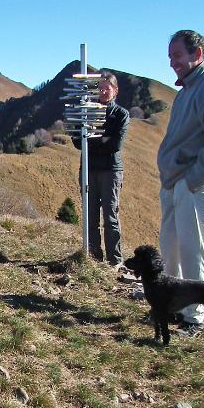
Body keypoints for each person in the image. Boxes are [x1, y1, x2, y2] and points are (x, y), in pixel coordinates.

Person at [157, 30, 204, 333]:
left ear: (197, 54)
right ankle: (176, 307)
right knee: (171, 248)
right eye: (170, 57)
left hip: (194, 185)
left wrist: (191, 181)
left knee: (192, 250)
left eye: (177, 56)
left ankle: (196, 317)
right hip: (177, 183)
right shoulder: (188, 89)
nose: (172, 63)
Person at [71, 70, 130, 268]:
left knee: (110, 215)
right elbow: (78, 142)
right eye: (101, 88)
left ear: (115, 91)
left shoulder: (121, 114)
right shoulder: (86, 112)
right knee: (90, 214)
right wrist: (99, 139)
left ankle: (115, 260)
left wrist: (92, 139)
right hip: (88, 169)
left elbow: (115, 145)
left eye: (108, 88)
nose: (104, 92)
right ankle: (94, 258)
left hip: (110, 171)